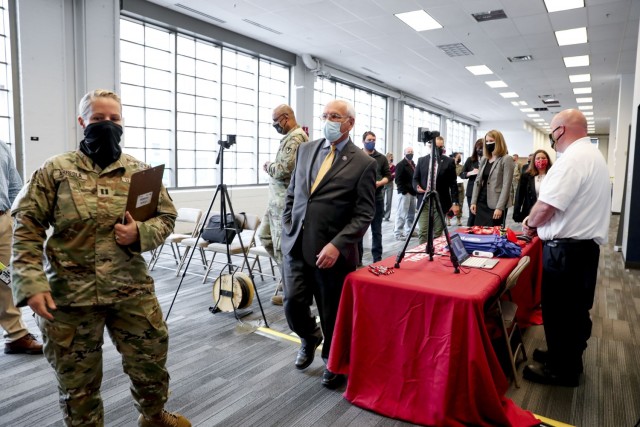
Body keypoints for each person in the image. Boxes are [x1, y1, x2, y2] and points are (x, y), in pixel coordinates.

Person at [11, 89, 190, 427]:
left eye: (114, 119)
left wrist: (141, 233)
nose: (106, 125)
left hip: (131, 290)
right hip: (69, 297)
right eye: (97, 119)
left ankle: (153, 416)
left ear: (122, 122)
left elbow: (166, 218)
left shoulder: (141, 173)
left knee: (150, 363)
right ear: (82, 122)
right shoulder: (56, 170)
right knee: (78, 383)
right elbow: (27, 226)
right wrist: (31, 283)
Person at [281, 99, 376, 389]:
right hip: (296, 243)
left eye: (335, 116)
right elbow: (294, 193)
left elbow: (364, 214)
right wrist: (287, 225)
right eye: (324, 115)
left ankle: (333, 362)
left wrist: (338, 244)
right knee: (293, 304)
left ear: (350, 123)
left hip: (332, 253)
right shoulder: (306, 149)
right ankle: (309, 337)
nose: (328, 120)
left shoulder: (364, 163)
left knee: (331, 313)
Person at [521, 109, 610, 387]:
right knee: (573, 311)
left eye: (552, 131)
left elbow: (547, 205)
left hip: (566, 252)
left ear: (560, 130)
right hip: (581, 250)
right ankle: (565, 356)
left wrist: (530, 224)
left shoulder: (572, 159)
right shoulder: (592, 155)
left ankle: (563, 370)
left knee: (560, 311)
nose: (551, 138)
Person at [261, 104, 309, 305]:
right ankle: (288, 278)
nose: (274, 125)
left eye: (275, 121)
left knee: (283, 247)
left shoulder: (296, 138)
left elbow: (283, 170)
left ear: (286, 117)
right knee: (265, 236)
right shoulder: (290, 138)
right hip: (275, 203)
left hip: (285, 204)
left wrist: (267, 166)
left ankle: (294, 291)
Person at [0, 142, 43, 355]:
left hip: (2, 221)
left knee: (5, 278)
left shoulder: (2, 146)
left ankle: (15, 335)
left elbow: (15, 186)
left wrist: (16, 220)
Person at [412, 136, 459, 244]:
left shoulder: (448, 162)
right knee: (423, 231)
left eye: (441, 147)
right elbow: (415, 179)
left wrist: (455, 202)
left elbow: (453, 184)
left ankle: (435, 255)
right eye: (436, 147)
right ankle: (423, 254)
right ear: (430, 146)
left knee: (437, 232)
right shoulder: (422, 160)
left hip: (440, 201)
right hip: (424, 200)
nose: (439, 149)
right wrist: (416, 187)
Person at [357, 132, 390, 264]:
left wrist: (379, 183)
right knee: (358, 230)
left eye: (374, 140)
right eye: (369, 140)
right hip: (360, 199)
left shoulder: (381, 158)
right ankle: (357, 259)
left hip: (377, 198)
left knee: (377, 230)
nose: (372, 142)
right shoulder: (357, 156)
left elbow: (388, 176)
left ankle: (377, 259)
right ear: (363, 141)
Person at [470, 130, 514, 227]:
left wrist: (500, 207)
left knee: (493, 234)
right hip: (481, 201)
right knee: (479, 231)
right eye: (487, 141)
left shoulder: (506, 159)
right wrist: (473, 201)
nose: (488, 143)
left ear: (498, 142)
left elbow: (506, 185)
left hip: (496, 203)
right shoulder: (484, 159)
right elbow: (477, 181)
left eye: (491, 141)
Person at [512, 149, 552, 223]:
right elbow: (519, 195)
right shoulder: (526, 175)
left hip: (548, 212)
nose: (541, 160)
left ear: (548, 160)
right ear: (534, 161)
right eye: (538, 158)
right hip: (530, 211)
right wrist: (516, 212)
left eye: (543, 158)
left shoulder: (553, 175)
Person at [393, 147, 417, 240]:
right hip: (405, 193)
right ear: (404, 154)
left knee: (411, 214)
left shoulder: (413, 164)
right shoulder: (400, 165)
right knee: (401, 214)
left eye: (411, 152)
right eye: (408, 152)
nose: (410, 153)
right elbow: (398, 180)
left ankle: (409, 231)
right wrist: (404, 191)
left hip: (413, 192)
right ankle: (398, 233)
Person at [460, 138, 483, 226]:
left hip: (484, 191)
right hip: (471, 191)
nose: (480, 150)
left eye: (482, 148)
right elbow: (462, 174)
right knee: (472, 214)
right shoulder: (470, 160)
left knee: (481, 215)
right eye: (479, 148)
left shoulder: (489, 160)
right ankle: (469, 233)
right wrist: (471, 173)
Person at [452, 152, 464, 226]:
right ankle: (448, 219)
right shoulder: (450, 165)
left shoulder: (462, 167)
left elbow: (463, 174)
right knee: (450, 203)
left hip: (460, 188)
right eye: (458, 157)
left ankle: (458, 219)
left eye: (460, 157)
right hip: (452, 188)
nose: (459, 158)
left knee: (460, 203)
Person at [383, 152, 395, 221]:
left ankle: (387, 216)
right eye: (390, 157)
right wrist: (391, 174)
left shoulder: (394, 166)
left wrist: (390, 175)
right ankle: (382, 214)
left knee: (389, 201)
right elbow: (384, 174)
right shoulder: (384, 166)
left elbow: (393, 176)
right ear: (387, 157)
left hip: (390, 184)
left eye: (392, 157)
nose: (391, 158)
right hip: (383, 183)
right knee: (381, 200)